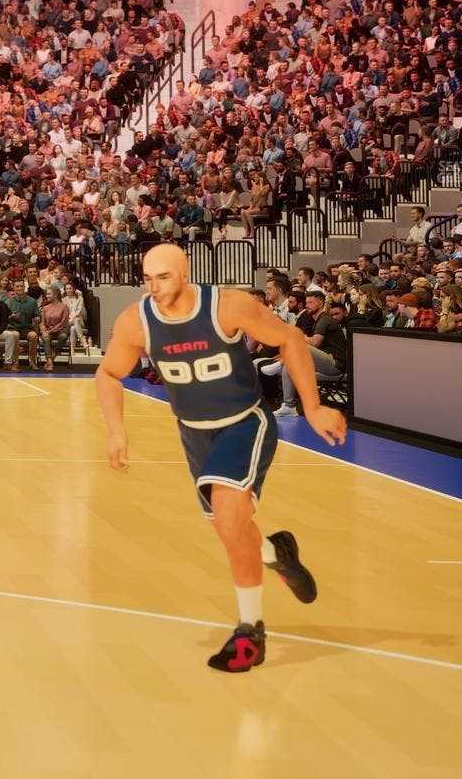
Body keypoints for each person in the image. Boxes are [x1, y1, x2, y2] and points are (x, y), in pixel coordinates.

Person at [94, 244, 344, 673]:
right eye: (148, 278)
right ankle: (275, 553)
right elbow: (108, 373)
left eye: (164, 277)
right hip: (193, 433)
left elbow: (289, 338)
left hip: (244, 422)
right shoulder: (137, 321)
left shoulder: (227, 306)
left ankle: (250, 631)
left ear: (185, 273)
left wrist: (314, 405)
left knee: (230, 518)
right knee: (232, 531)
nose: (155, 286)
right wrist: (117, 431)